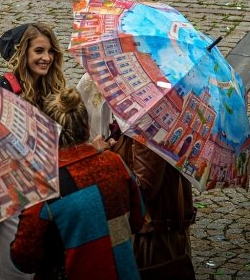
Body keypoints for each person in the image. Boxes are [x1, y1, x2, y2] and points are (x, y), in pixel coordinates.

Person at [10, 88, 145, 279]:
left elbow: (23, 258)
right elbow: (138, 220)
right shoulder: (115, 163)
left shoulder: (45, 187)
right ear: (88, 127)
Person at [76, 75, 196, 278]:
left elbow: (143, 189)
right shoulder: (137, 116)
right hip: (156, 235)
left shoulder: (147, 122)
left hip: (151, 242)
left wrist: (104, 159)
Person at [0, 22, 67, 280]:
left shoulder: (54, 90)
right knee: (16, 272)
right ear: (23, 54)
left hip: (48, 195)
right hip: (13, 201)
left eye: (50, 51)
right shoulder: (1, 90)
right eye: (39, 51)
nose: (46, 58)